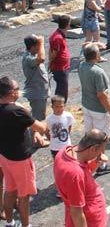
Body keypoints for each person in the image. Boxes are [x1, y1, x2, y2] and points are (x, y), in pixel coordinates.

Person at [0, 76, 47, 227]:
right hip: (21, 159)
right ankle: (26, 225)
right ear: (11, 92)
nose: (19, 91)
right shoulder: (18, 111)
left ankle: (10, 222)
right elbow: (41, 128)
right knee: (24, 195)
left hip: (5, 156)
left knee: (10, 190)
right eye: (17, 89)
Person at [53, 129, 109, 227]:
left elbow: (85, 175)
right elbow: (76, 212)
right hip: (90, 221)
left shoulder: (65, 152)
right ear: (93, 149)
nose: (101, 155)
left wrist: (96, 162)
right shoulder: (75, 174)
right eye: (100, 152)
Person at [77, 43, 110, 175]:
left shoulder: (82, 65)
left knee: (89, 136)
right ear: (96, 55)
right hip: (99, 110)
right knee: (101, 138)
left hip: (87, 106)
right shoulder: (98, 72)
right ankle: (101, 165)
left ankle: (87, 160)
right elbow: (101, 95)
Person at [22, 35, 49, 122]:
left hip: (40, 92)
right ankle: (36, 134)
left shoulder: (33, 55)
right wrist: (41, 43)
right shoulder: (28, 57)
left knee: (38, 114)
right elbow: (41, 59)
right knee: (38, 119)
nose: (40, 47)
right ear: (33, 46)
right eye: (38, 45)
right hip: (36, 93)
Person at [49, 14, 71, 102]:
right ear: (67, 24)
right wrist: (51, 64)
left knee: (62, 88)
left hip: (62, 67)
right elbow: (53, 53)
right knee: (62, 90)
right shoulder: (58, 38)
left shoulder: (59, 35)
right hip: (60, 68)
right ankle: (59, 106)